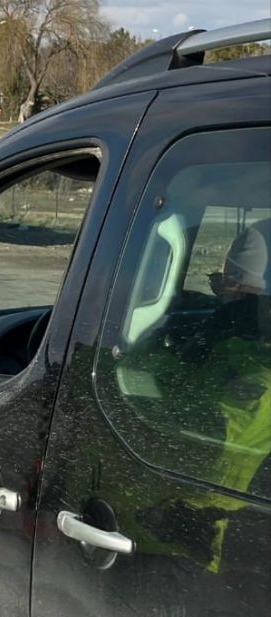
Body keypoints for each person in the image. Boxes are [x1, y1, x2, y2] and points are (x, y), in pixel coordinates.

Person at [134, 217, 271, 572]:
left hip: (195, 544)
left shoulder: (251, 366)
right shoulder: (243, 345)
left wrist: (133, 370)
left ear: (242, 287)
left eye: (222, 283)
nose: (219, 294)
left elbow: (201, 438)